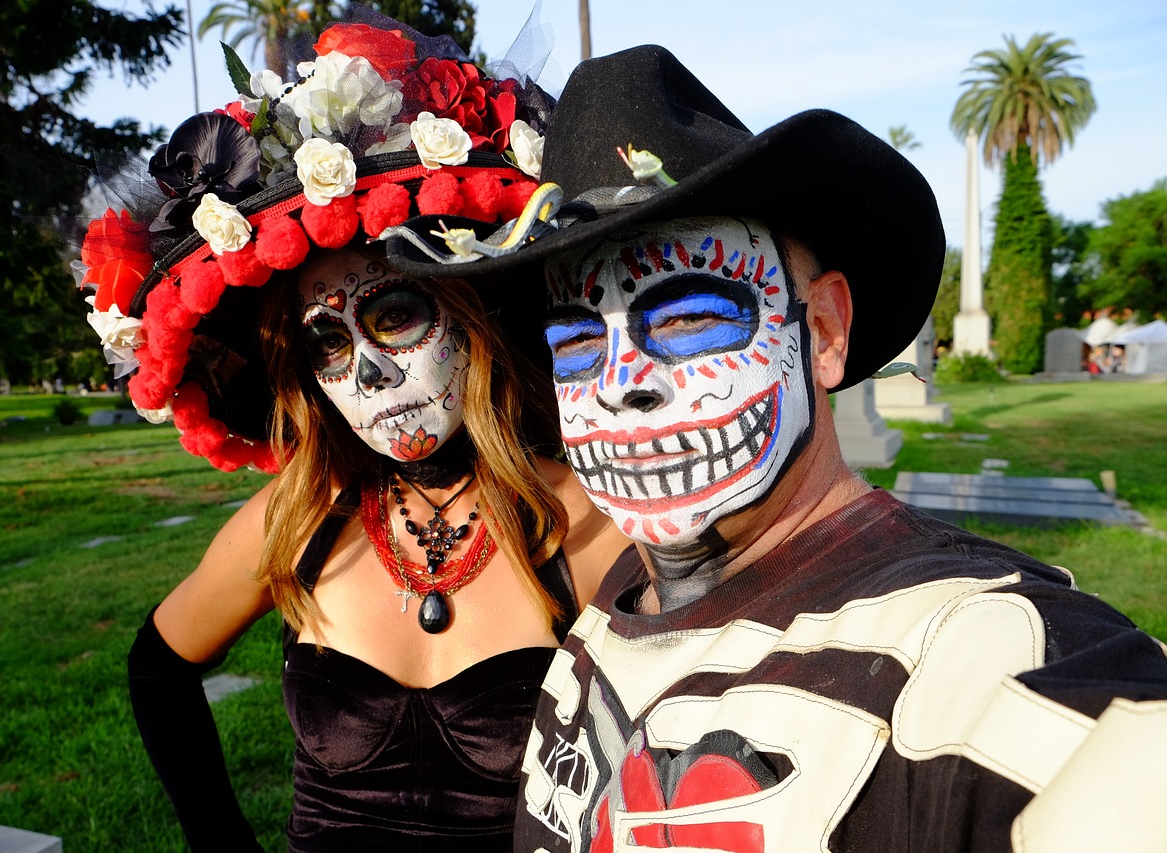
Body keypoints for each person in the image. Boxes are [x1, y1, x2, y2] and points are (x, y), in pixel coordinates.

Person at [383, 44, 1167, 851]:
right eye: (578, 340)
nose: (620, 382)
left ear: (821, 331)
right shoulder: (622, 591)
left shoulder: (965, 643)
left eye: (688, 317)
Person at [76, 13, 629, 851]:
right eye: (327, 343)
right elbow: (158, 668)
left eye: (394, 313)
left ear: (472, 315)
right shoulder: (298, 519)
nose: (366, 373)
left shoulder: (587, 525)